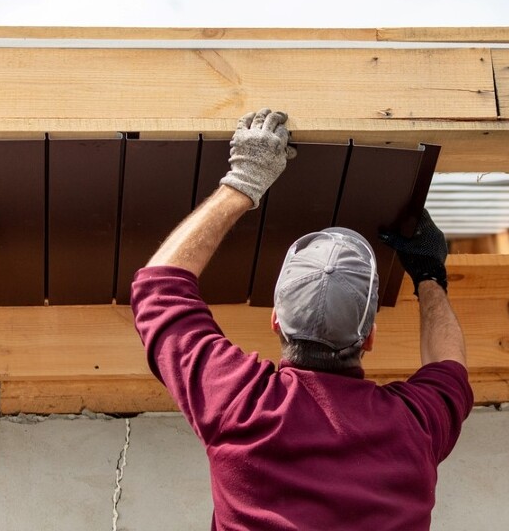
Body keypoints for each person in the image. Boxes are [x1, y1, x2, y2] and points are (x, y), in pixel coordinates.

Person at [131, 108, 473, 530]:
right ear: (370, 337)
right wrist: (429, 274)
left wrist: (244, 182)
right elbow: (448, 369)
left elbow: (157, 288)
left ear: (277, 320)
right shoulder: (412, 427)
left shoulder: (242, 407)